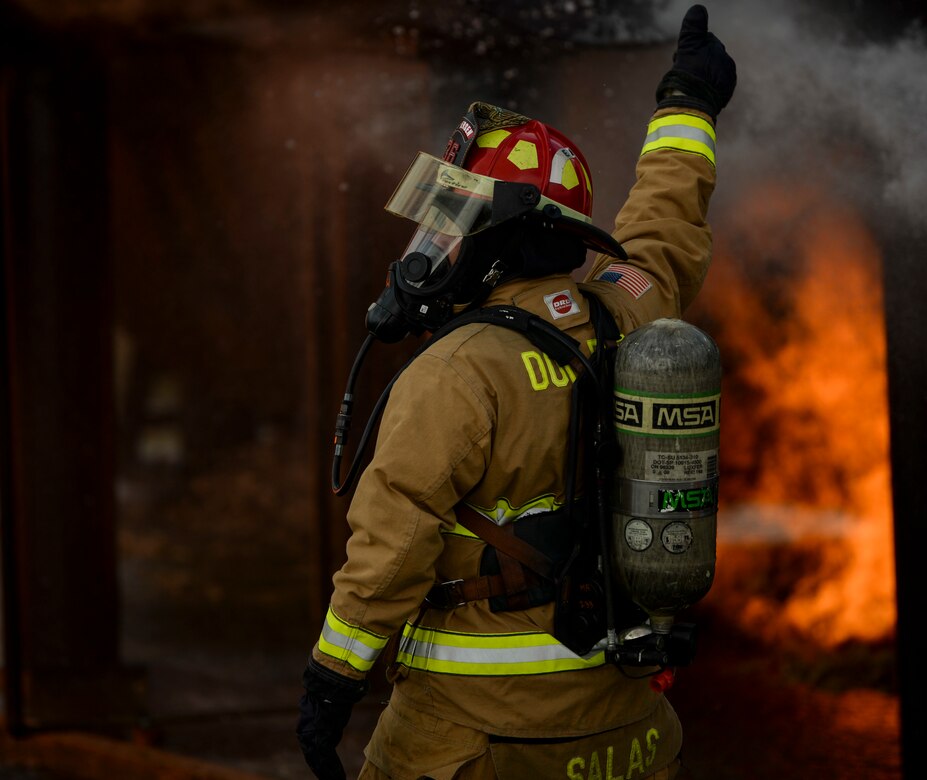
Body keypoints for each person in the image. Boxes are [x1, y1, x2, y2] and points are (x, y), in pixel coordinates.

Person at [296, 5, 736, 778]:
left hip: (476, 739)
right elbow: (662, 230)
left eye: (455, 222)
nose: (433, 249)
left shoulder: (455, 371)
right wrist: (687, 105)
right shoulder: (626, 311)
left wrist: (331, 683)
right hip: (628, 737)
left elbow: (391, 550)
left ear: (507, 238)